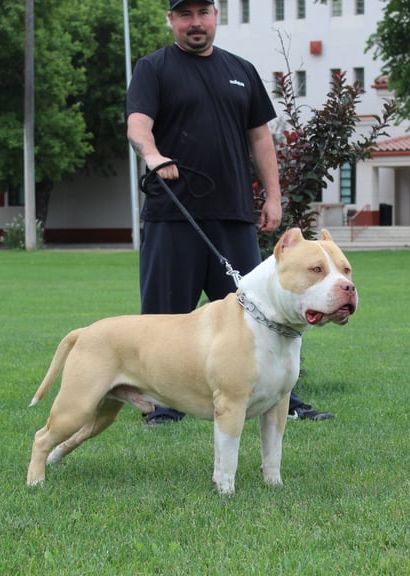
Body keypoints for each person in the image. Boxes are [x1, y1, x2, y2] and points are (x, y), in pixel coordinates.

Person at [126, 0, 334, 425]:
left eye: (203, 12)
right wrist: (152, 154)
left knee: (263, 311)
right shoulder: (154, 68)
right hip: (173, 214)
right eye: (185, 15)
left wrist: (273, 197)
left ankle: (284, 397)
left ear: (216, 15)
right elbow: (137, 125)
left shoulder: (241, 70)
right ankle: (164, 405)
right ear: (171, 20)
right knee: (164, 317)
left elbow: (260, 139)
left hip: (234, 214)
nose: (195, 23)